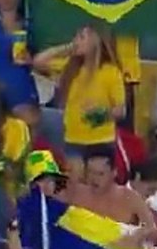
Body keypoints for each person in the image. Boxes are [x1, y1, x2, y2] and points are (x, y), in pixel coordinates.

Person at [34, 25, 125, 179]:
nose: (76, 41)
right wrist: (68, 48)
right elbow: (38, 61)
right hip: (73, 140)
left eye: (81, 37)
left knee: (95, 188)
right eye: (75, 37)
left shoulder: (110, 72)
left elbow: (121, 110)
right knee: (76, 187)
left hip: (100, 141)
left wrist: (102, 113)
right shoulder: (70, 68)